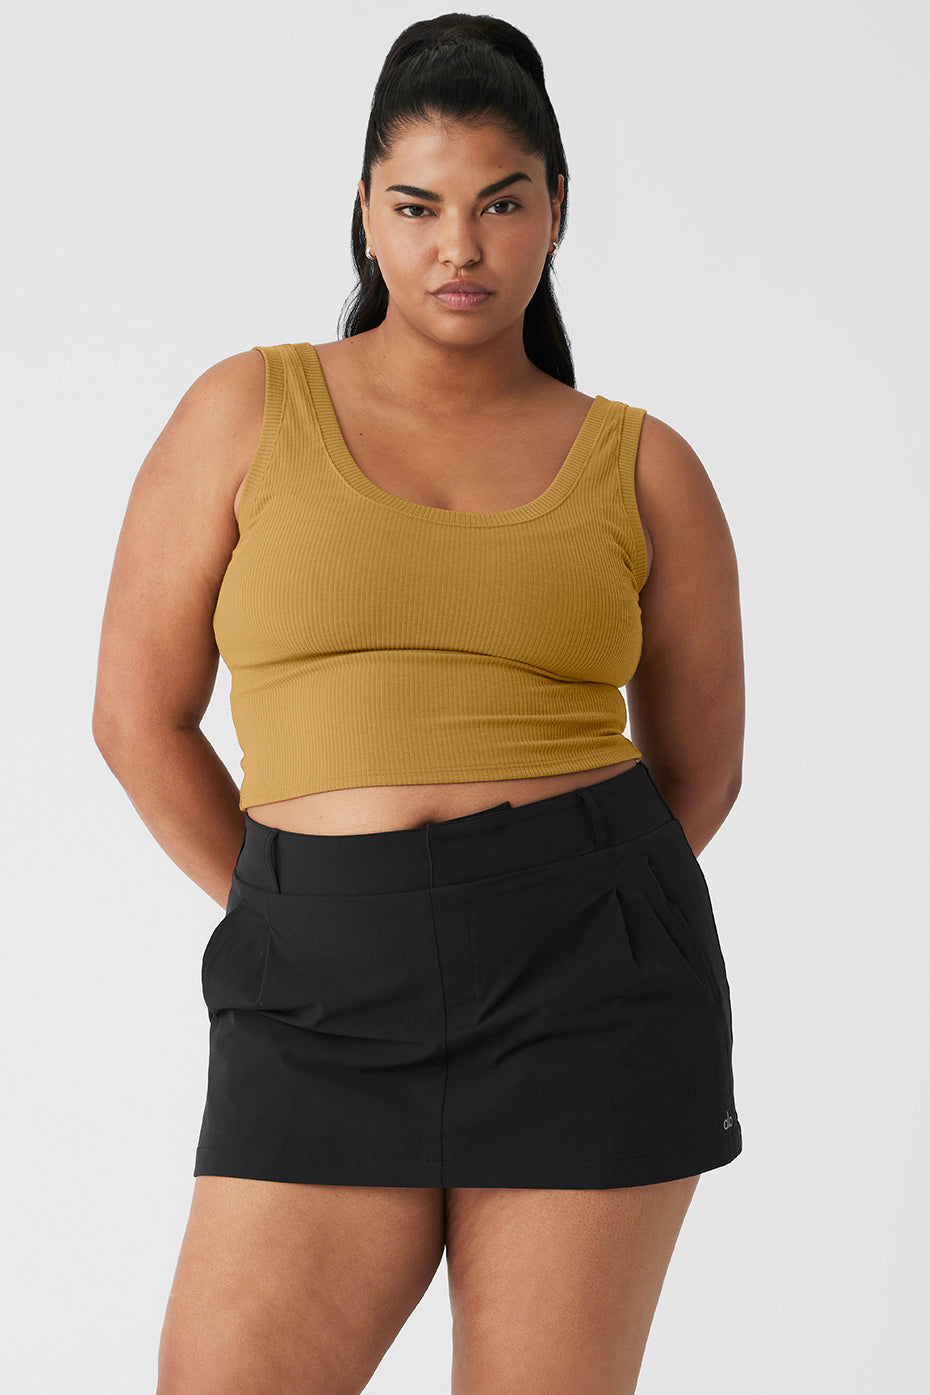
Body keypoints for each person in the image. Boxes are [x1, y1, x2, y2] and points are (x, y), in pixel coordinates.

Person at [92, 12, 745, 1394]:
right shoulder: (245, 410)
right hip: (316, 986)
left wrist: (539, 906)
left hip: (589, 997)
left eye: (501, 203)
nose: (460, 246)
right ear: (365, 212)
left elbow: (703, 770)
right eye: (418, 206)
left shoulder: (645, 466)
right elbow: (136, 718)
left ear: (555, 209)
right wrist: (304, 906)